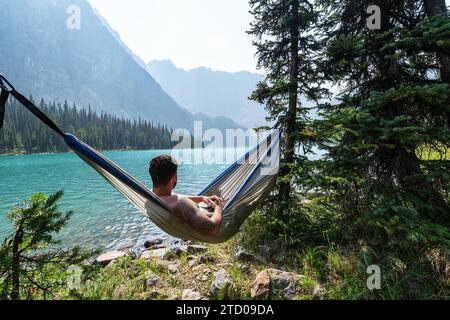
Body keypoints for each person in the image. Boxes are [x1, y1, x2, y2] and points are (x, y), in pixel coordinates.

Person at [149, 155, 223, 236]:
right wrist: (218, 208)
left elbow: (173, 197)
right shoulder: (181, 203)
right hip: (213, 222)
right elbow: (211, 227)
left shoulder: (149, 195)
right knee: (224, 200)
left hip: (185, 222)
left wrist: (201, 198)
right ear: (173, 178)